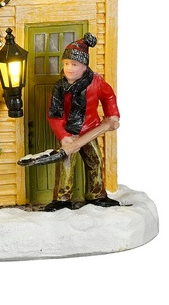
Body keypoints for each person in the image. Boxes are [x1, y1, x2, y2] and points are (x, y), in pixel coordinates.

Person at [45, 33, 121, 210]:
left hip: (90, 130)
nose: (69, 68)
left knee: (95, 161)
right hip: (69, 133)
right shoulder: (60, 88)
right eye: (66, 64)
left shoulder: (96, 82)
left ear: (84, 66)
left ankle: (96, 195)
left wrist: (113, 115)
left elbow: (109, 97)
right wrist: (63, 136)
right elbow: (54, 115)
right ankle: (62, 199)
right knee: (65, 164)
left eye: (74, 64)